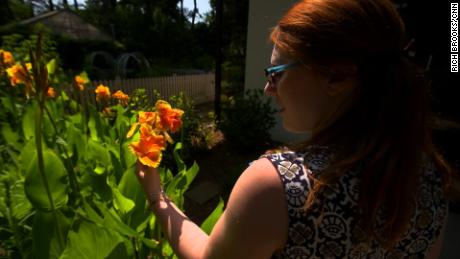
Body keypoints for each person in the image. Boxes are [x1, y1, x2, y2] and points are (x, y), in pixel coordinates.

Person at [135, 0, 457, 258]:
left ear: (336, 77)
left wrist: (155, 193)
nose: (267, 88)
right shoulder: (429, 177)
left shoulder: (277, 186)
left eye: (276, 72)